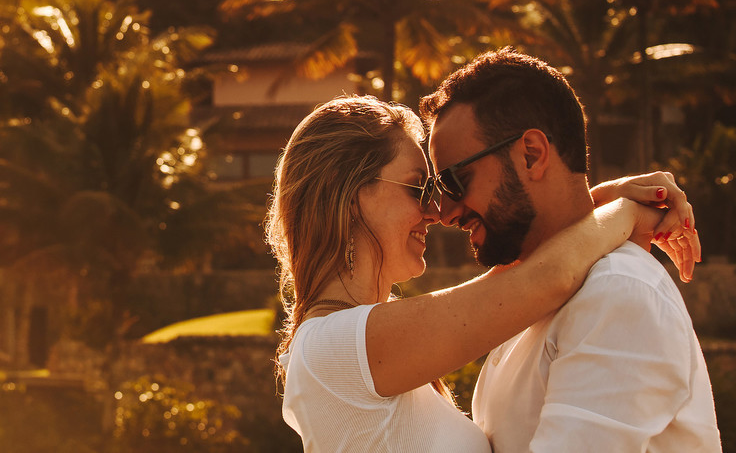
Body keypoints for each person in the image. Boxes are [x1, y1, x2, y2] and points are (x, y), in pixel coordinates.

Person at [266, 94, 697, 453]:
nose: (435, 211)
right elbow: (544, 279)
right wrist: (626, 210)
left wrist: (594, 200)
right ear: (353, 195)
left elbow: (526, 274)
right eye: (420, 188)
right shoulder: (335, 350)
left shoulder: (349, 347)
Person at [421, 47, 721, 452]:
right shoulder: (532, 298)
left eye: (455, 181)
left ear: (532, 155)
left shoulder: (617, 293)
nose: (445, 211)